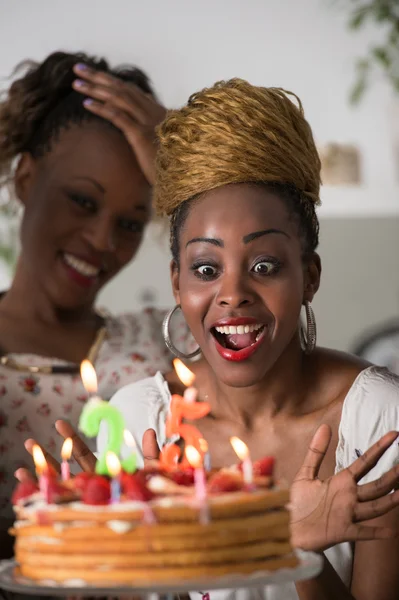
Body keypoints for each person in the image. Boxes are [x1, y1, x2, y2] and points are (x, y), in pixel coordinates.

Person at [18, 80, 399, 599]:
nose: (233, 294)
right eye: (206, 267)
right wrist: (102, 562)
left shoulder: (377, 420)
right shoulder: (139, 422)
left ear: (309, 275)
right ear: (178, 281)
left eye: (265, 265)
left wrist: (296, 550)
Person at [0, 50, 192, 557]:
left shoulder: (163, 342)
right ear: (25, 180)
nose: (103, 240)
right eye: (83, 201)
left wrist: (191, 176)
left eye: (130, 223)